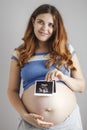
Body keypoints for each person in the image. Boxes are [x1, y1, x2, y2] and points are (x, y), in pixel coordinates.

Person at [7, 4, 85, 130]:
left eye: (51, 25)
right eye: (40, 22)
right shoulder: (20, 53)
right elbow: (12, 91)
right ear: (33, 22)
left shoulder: (66, 50)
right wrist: (25, 115)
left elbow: (81, 86)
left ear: (56, 28)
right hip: (32, 124)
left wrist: (63, 78)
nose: (44, 28)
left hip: (68, 124)